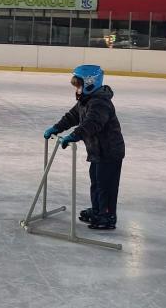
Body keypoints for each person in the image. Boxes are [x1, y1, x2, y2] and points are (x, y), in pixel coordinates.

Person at [43, 65, 125, 231]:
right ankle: (97, 210)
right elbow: (72, 117)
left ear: (90, 83)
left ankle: (107, 216)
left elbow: (91, 124)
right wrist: (57, 128)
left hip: (110, 152)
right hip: (97, 151)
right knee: (96, 182)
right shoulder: (85, 100)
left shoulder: (100, 103)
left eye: (79, 85)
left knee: (106, 185)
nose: (77, 89)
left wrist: (74, 136)